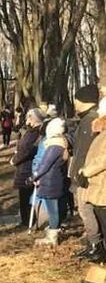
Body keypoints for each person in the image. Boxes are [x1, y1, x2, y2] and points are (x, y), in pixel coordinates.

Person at [69, 85, 103, 260]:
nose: (74, 103)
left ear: (84, 101)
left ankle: (96, 245)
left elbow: (89, 152)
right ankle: (92, 243)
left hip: (87, 175)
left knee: (86, 210)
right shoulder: (84, 120)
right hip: (82, 173)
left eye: (76, 100)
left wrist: (83, 172)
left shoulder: (92, 121)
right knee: (84, 210)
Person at [76, 98, 106, 261]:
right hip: (98, 186)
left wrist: (86, 171)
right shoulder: (101, 133)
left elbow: (103, 159)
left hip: (102, 187)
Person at [32, 118, 69, 247]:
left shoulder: (54, 146)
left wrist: (33, 177)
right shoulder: (62, 142)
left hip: (50, 181)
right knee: (55, 208)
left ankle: (52, 236)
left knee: (53, 210)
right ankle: (54, 231)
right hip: (56, 179)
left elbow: (45, 165)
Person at [11, 109, 44, 228]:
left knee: (26, 196)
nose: (26, 119)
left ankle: (29, 220)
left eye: (28, 117)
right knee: (24, 196)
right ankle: (25, 219)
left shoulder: (35, 133)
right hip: (24, 167)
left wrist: (14, 160)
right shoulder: (31, 131)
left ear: (33, 119)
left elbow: (27, 150)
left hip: (27, 167)